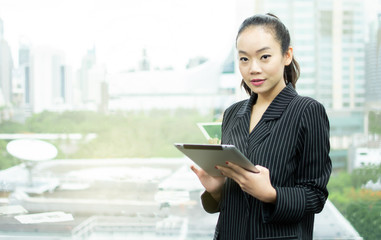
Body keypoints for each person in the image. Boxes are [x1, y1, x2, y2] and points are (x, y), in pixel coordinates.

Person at [191, 13, 332, 240]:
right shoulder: (233, 114)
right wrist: (217, 189)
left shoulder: (307, 111)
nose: (253, 68)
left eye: (264, 57)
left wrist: (271, 194)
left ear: (287, 55)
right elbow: (233, 199)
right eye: (244, 59)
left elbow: (315, 196)